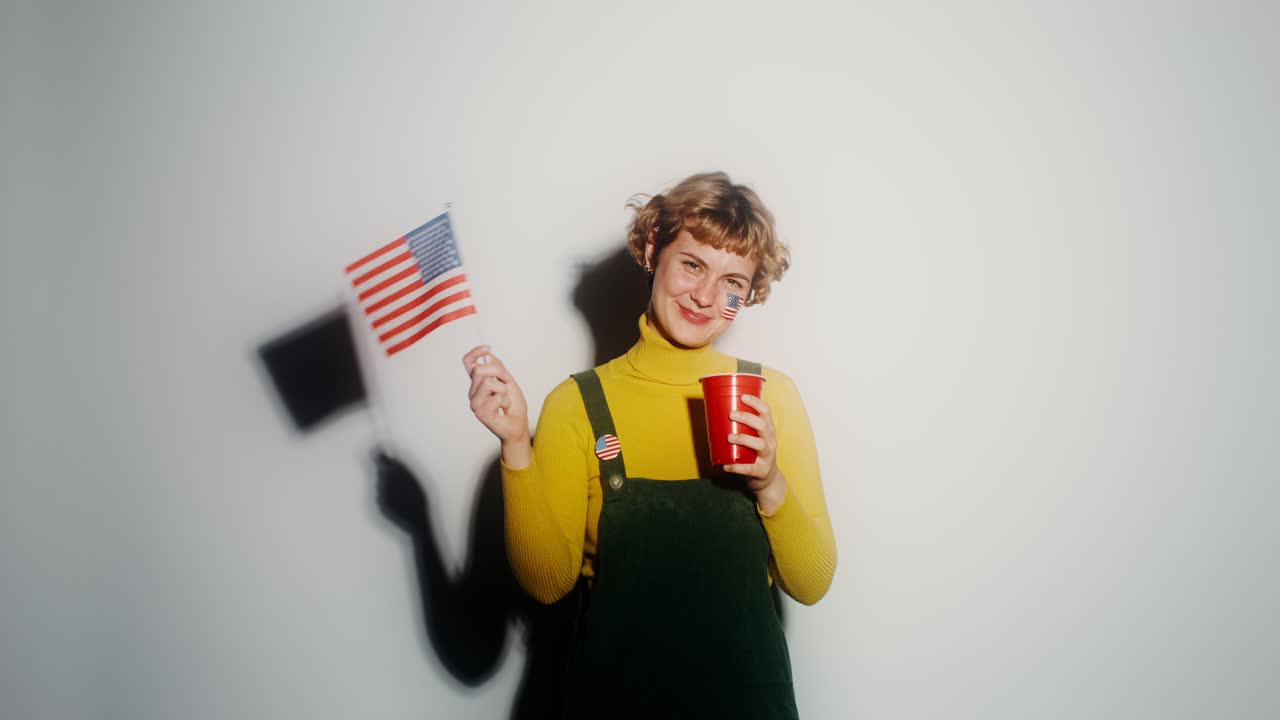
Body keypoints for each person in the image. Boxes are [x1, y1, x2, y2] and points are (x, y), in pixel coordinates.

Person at [463, 172, 836, 718]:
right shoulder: (576, 404)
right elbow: (547, 585)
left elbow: (812, 583)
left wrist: (770, 483)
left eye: (733, 282)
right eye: (693, 264)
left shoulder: (770, 397)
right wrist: (517, 445)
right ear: (654, 248)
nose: (708, 297)